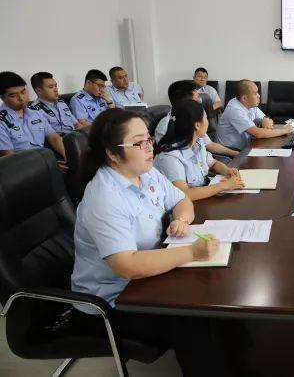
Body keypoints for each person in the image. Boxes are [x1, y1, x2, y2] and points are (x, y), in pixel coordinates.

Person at [70, 108, 231, 376]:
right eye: (138, 143)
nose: (149, 147)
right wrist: (192, 252)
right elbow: (128, 266)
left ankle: (236, 359)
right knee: (193, 316)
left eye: (148, 139)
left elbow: (182, 199)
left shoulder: (146, 173)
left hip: (148, 276)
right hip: (114, 300)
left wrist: (181, 219)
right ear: (112, 154)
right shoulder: (105, 197)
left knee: (214, 293)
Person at [154, 99, 244, 200]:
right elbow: (184, 194)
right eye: (205, 118)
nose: (208, 122)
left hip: (203, 197)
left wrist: (227, 171)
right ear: (197, 125)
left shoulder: (198, 142)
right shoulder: (170, 156)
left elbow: (213, 163)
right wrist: (224, 186)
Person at [155, 80, 238, 159]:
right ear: (186, 101)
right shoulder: (165, 127)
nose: (199, 97)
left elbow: (209, 145)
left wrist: (235, 153)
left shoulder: (193, 117)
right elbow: (176, 158)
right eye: (196, 95)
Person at [0, 71, 66, 159]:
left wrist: (67, 157)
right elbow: (9, 157)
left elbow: (54, 138)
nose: (21, 98)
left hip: (45, 159)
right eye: (13, 96)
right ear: (2, 97)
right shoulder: (2, 122)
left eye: (23, 92)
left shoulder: (36, 112)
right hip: (24, 164)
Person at [216, 79, 292, 150]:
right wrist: (284, 131)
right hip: (230, 151)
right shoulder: (234, 110)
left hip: (246, 147)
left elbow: (265, 118)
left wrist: (265, 120)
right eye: (255, 93)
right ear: (244, 98)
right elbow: (258, 133)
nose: (259, 96)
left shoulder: (250, 104)